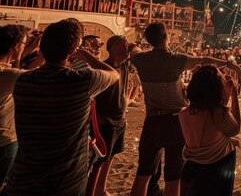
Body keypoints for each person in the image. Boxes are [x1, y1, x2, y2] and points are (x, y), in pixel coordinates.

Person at [2, 19, 119, 196]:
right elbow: (114, 74)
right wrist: (86, 55)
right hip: (66, 182)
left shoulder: (22, 81)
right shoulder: (81, 81)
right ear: (73, 51)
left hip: (24, 179)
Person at [129, 23, 213, 196]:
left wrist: (132, 45)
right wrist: (229, 64)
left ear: (149, 40)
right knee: (174, 177)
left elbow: (133, 50)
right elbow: (205, 61)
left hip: (152, 121)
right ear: (166, 37)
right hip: (175, 122)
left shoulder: (141, 59)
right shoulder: (176, 59)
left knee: (143, 173)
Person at [86, 36, 141, 196]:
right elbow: (92, 97)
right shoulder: (104, 69)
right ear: (114, 47)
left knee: (110, 158)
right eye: (125, 45)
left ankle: (101, 190)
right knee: (98, 162)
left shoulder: (125, 66)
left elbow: (140, 57)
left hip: (119, 121)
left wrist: (133, 47)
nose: (128, 48)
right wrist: (98, 119)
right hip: (105, 122)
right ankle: (91, 191)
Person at [179, 66, 241, 196]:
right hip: (216, 170)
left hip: (191, 170)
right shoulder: (218, 113)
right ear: (216, 86)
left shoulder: (184, 113)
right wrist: (233, 94)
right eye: (222, 79)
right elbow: (234, 128)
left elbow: (211, 131)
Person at [0, 25, 29, 185]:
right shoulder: (8, 75)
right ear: (16, 46)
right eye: (24, 44)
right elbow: (43, 73)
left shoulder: (8, 73)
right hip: (4, 141)